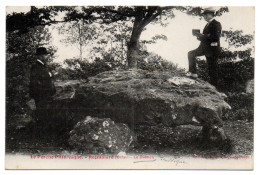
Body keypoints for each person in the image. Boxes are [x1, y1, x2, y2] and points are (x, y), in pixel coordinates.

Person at [187, 7, 222, 87]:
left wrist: (203, 36)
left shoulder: (216, 24)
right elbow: (206, 38)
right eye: (204, 15)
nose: (204, 16)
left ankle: (214, 87)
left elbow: (216, 37)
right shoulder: (207, 24)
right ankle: (193, 73)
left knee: (212, 69)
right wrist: (199, 36)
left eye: (206, 14)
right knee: (191, 54)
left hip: (212, 49)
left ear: (211, 14)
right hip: (204, 48)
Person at [29, 47, 56, 127]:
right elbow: (35, 83)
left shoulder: (44, 66)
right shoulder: (36, 67)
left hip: (47, 95)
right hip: (41, 96)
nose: (47, 57)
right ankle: (41, 135)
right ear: (40, 56)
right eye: (45, 55)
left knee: (47, 115)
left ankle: (45, 133)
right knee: (42, 116)